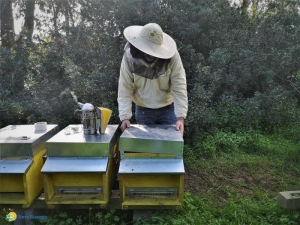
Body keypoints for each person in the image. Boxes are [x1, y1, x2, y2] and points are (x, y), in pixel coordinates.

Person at [117, 23, 188, 135]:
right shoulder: (129, 58)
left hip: (168, 109)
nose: (151, 54)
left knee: (169, 149)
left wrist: (180, 117)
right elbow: (125, 87)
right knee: (146, 149)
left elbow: (179, 85)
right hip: (143, 110)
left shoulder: (173, 57)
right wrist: (125, 117)